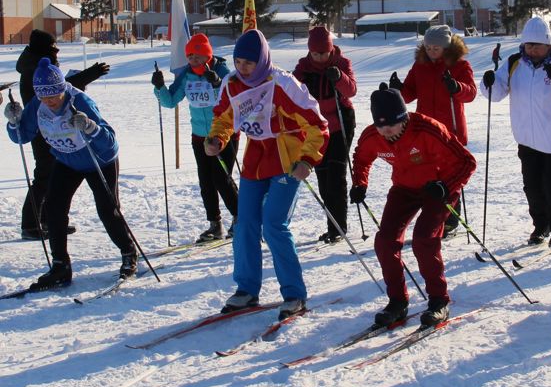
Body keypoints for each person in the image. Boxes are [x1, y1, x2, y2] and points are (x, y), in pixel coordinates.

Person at [205, 30, 329, 320]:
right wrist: (217, 139)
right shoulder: (232, 83)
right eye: (238, 61)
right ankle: (246, 289)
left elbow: (317, 124)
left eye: (249, 62)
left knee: (274, 224)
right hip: (256, 159)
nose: (242, 67)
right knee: (245, 222)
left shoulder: (283, 84)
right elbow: (224, 117)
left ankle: (294, 294)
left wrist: (308, 160)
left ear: (262, 60)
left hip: (287, 160)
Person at [349, 86, 476, 327]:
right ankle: (397, 301)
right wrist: (359, 183)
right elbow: (361, 157)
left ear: (404, 118)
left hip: (438, 189)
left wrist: (445, 186)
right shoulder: (373, 136)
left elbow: (466, 162)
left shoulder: (428, 130)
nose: (386, 131)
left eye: (393, 124)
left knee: (423, 239)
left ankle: (439, 301)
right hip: (404, 188)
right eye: (381, 125)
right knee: (385, 241)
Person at [5, 57, 136, 289]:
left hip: (99, 159)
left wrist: (90, 127)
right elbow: (21, 136)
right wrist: (13, 121)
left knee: (107, 210)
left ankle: (128, 253)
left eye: (54, 95)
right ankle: (60, 266)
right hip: (67, 160)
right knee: (54, 207)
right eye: (44, 96)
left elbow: (109, 142)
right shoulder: (38, 105)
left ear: (62, 89)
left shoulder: (81, 101)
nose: (50, 101)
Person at [480, 16, 551, 247]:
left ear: (548, 44)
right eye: (529, 44)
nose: (532, 49)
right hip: (526, 137)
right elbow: (497, 93)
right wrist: (488, 83)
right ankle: (540, 225)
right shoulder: (515, 62)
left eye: (537, 45)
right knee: (531, 186)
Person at [15, 29, 109, 240]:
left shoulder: (36, 62)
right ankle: (30, 224)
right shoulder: (34, 69)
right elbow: (58, 91)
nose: (57, 53)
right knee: (44, 175)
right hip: (42, 129)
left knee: (53, 174)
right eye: (53, 49)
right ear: (44, 50)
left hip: (54, 126)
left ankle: (50, 219)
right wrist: (88, 75)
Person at [388, 25, 476, 238]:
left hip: (451, 129)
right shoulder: (420, 66)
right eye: (428, 47)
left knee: (451, 175)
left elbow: (471, 93)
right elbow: (409, 94)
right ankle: (433, 218)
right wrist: (398, 89)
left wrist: (457, 87)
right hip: (426, 130)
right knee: (428, 173)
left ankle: (450, 220)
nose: (431, 51)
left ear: (446, 47)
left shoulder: (459, 65)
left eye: (436, 47)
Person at [152, 33, 238, 242]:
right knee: (206, 181)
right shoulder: (186, 75)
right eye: (190, 56)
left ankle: (240, 218)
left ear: (207, 55)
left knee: (221, 178)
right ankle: (214, 224)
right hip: (199, 136)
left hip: (224, 135)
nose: (193, 60)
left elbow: (234, 97)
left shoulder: (222, 71)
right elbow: (171, 101)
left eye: (197, 56)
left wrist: (218, 83)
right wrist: (159, 87)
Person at [293, 26, 357, 244]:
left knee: (336, 176)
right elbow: (290, 92)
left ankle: (338, 227)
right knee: (322, 174)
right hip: (316, 126)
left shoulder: (341, 63)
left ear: (330, 50)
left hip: (340, 123)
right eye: (315, 53)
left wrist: (339, 78)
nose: (319, 57)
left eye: (323, 53)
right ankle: (332, 224)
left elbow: (351, 91)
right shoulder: (303, 67)